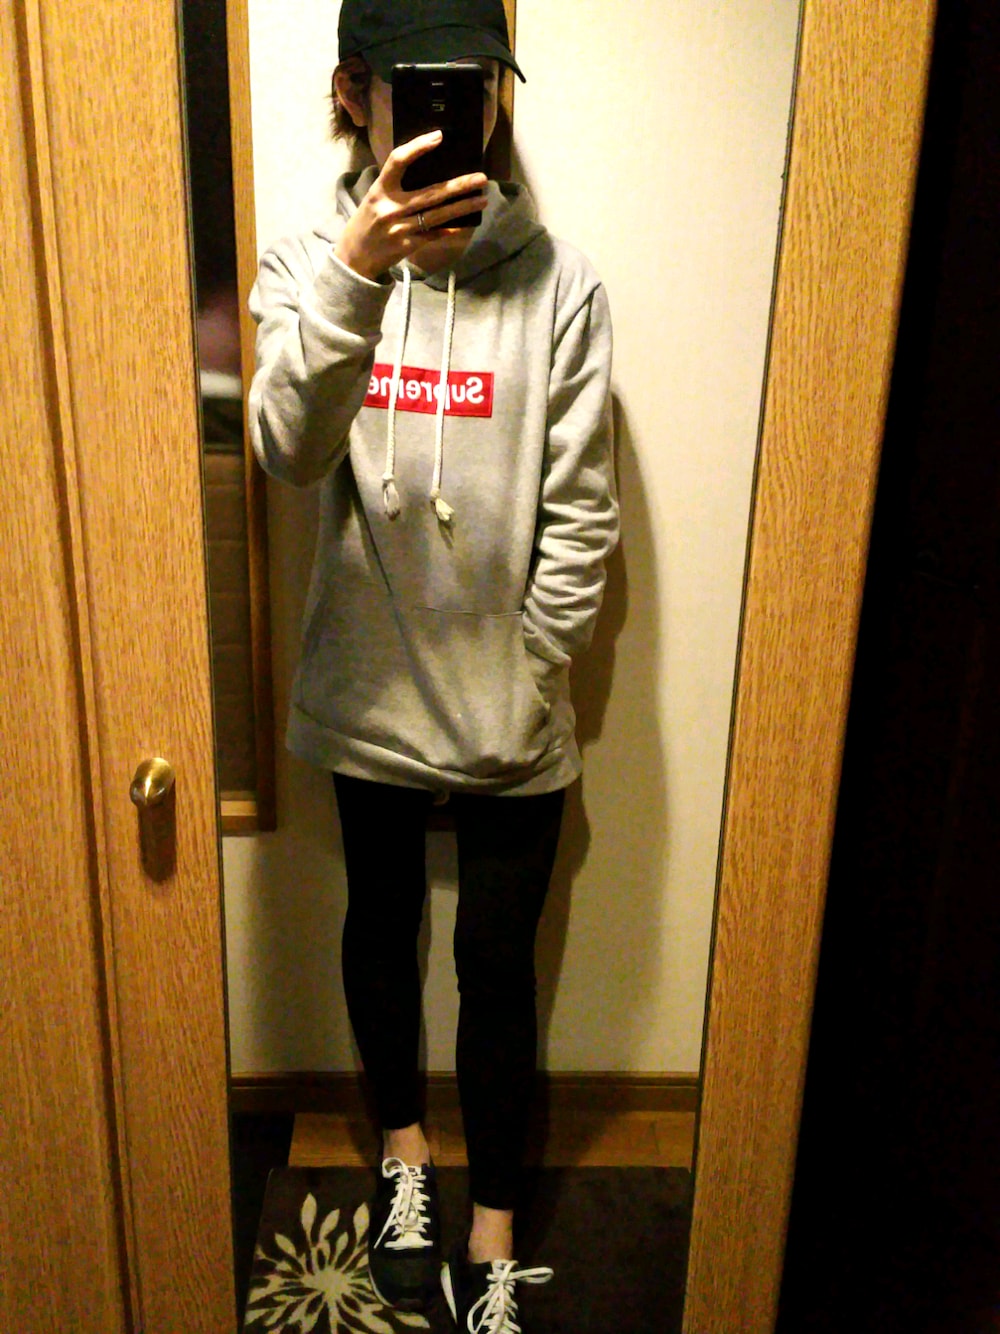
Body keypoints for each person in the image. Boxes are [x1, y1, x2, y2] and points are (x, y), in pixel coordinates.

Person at [248, 1, 618, 1328]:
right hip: (368, 688)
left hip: (510, 711)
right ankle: (405, 1157)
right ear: (357, 95)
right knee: (380, 927)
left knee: (498, 966)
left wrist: (533, 669)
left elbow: (582, 512)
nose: (464, 117)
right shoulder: (306, 262)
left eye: (481, 87)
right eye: (424, 88)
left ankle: (496, 1215)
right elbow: (287, 447)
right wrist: (360, 271)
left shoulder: (560, 283)